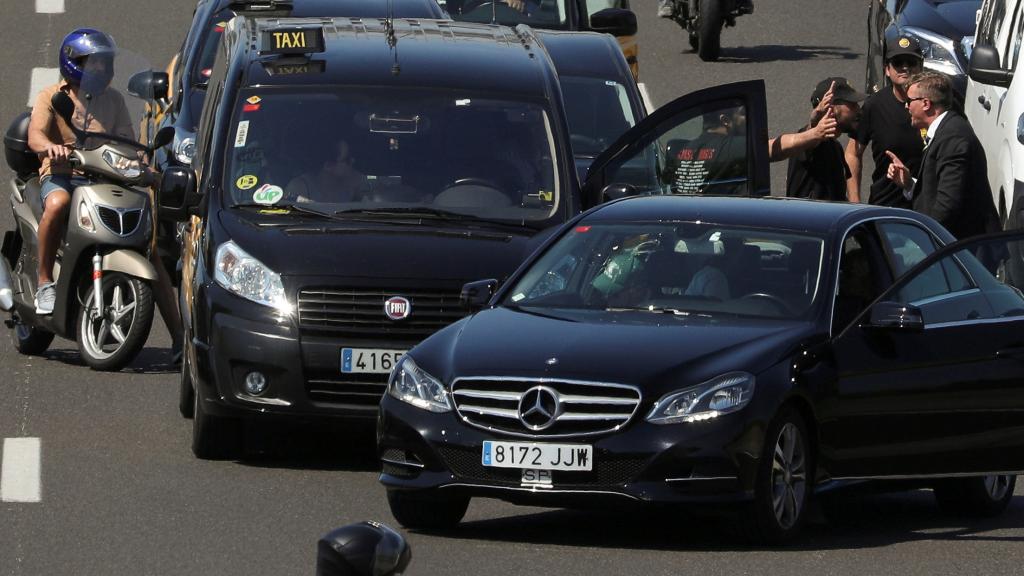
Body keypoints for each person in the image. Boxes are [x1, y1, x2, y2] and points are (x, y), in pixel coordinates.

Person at [28, 28, 184, 357]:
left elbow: (128, 142)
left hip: (104, 177)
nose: (101, 68)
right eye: (94, 63)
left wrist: (145, 166)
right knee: (57, 203)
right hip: (64, 174)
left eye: (104, 62)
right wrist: (52, 148)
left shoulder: (114, 100)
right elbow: (36, 136)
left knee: (149, 247)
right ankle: (44, 283)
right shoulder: (51, 96)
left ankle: (180, 339)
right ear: (74, 63)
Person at [885, 71, 999, 239]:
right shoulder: (947, 130)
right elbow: (937, 193)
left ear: (926, 103)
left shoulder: (953, 138)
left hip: (967, 246)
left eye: (909, 101)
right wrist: (909, 184)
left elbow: (947, 205)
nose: (906, 107)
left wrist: (925, 237)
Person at [845, 36, 925, 206]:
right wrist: (854, 202)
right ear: (887, 69)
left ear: (921, 67)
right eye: (898, 63)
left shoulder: (935, 103)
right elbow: (852, 153)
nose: (905, 68)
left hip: (926, 205)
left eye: (911, 62)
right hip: (886, 204)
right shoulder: (874, 105)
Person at [786, 77, 865, 201]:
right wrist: (814, 122)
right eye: (852, 105)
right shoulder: (808, 142)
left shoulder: (835, 147)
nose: (859, 111)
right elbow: (808, 140)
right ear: (830, 108)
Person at [286, 140, 370, 203]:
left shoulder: (355, 183)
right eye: (347, 160)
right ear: (328, 165)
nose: (353, 161)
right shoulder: (299, 188)